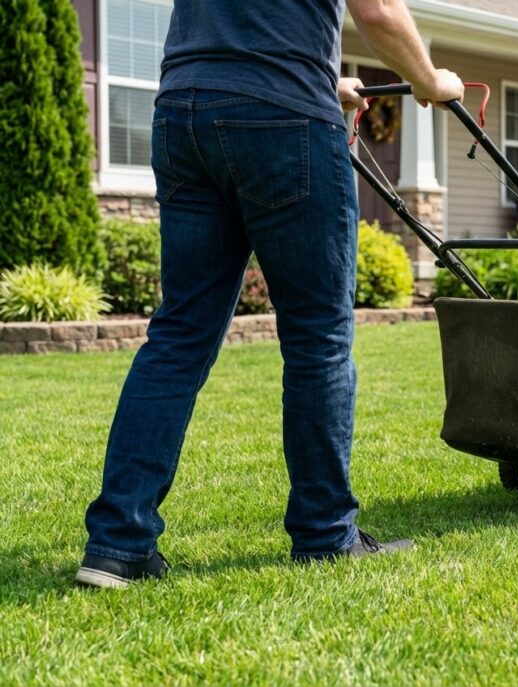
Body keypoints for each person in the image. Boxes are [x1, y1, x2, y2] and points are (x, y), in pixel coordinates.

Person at [75, 0, 464, 588]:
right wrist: (430, 79)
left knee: (178, 335)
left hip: (183, 109)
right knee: (318, 339)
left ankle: (117, 546)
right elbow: (379, 11)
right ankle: (326, 535)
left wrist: (318, 78)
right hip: (284, 121)